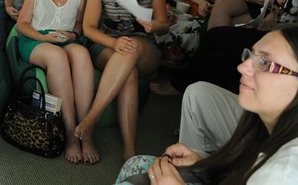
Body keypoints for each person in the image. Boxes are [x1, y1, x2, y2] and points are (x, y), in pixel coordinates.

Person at [117, 26, 298, 185]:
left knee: (136, 172)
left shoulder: (283, 173)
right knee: (136, 165)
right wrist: (208, 164)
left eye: (265, 63)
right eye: (250, 55)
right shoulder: (268, 131)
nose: (242, 67)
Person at [76, 0, 169, 161]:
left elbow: (164, 26)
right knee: (129, 72)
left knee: (132, 46)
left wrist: (155, 25)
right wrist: (114, 42)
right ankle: (129, 150)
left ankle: (92, 118)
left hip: (143, 46)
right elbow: (88, 28)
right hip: (107, 43)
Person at [16, 0, 96, 163]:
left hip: (65, 38)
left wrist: (73, 34)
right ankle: (70, 134)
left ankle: (86, 130)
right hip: (35, 39)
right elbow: (22, 23)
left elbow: (80, 23)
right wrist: (43, 37)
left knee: (81, 54)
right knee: (56, 56)